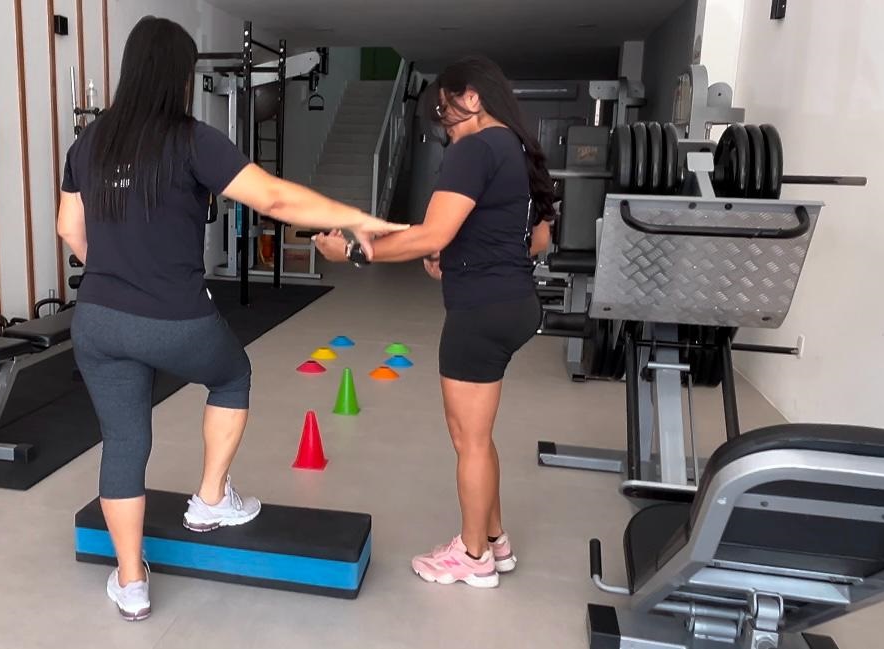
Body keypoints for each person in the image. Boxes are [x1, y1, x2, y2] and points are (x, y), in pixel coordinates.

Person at [56, 16, 407, 621]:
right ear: (179, 75)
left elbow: (69, 229)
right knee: (231, 374)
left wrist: (117, 270)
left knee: (123, 442)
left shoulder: (88, 144)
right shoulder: (193, 139)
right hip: (175, 318)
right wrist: (356, 216)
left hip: (98, 319)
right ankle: (211, 500)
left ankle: (132, 582)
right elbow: (271, 198)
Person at [314, 55, 555, 588]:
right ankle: (495, 540)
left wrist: (354, 252)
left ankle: (472, 560)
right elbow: (536, 238)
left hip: (480, 313)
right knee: (478, 435)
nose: (444, 123)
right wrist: (459, 252)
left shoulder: (475, 148)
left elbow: (429, 234)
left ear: (471, 96)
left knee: (467, 438)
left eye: (444, 109)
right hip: (513, 302)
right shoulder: (516, 147)